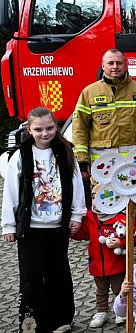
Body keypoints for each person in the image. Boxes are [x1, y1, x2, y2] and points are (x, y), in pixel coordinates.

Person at [2, 107, 86, 333]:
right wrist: (8, 225)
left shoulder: (65, 151)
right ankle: (31, 324)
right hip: (31, 228)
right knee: (31, 277)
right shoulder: (21, 155)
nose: (45, 133)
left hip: (58, 226)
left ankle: (61, 320)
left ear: (56, 127)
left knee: (58, 273)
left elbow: (77, 185)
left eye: (50, 128)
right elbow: (10, 190)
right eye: (38, 129)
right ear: (29, 130)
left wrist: (77, 215)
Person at [73, 49, 136, 168]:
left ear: (126, 65)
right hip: (104, 166)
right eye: (110, 63)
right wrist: (82, 160)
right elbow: (79, 128)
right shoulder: (89, 92)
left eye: (119, 63)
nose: (115, 67)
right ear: (103, 66)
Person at [72, 191, 130, 328]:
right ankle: (101, 311)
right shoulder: (89, 217)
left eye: (101, 196)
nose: (96, 200)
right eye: (93, 197)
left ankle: (121, 312)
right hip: (97, 264)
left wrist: (120, 243)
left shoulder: (121, 216)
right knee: (101, 291)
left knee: (119, 289)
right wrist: (72, 231)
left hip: (117, 264)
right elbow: (83, 234)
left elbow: (134, 237)